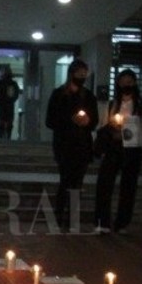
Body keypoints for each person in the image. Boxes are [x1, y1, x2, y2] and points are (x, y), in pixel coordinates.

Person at [45, 59, 98, 232]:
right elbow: (50, 121)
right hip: (64, 144)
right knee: (65, 181)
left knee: (77, 183)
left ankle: (73, 219)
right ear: (71, 73)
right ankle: (59, 217)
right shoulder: (59, 94)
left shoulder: (88, 96)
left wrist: (87, 121)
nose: (82, 77)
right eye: (79, 74)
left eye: (84, 74)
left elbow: (94, 120)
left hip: (82, 144)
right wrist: (70, 120)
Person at [93, 69, 142, 235]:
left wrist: (128, 132)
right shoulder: (112, 104)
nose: (126, 84)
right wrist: (112, 129)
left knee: (128, 187)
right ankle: (102, 222)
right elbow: (102, 125)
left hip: (133, 149)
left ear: (135, 83)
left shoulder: (141, 105)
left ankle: (122, 223)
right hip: (113, 148)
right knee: (104, 184)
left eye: (129, 81)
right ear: (118, 83)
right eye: (123, 81)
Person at [0, 67, 22, 140]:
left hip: (4, 105)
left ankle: (2, 137)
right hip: (8, 105)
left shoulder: (1, 82)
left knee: (4, 122)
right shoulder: (12, 83)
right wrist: (11, 100)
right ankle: (7, 137)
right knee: (7, 122)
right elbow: (16, 94)